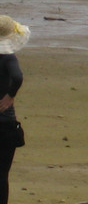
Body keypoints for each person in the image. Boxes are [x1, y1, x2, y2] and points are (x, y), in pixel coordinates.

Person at [0, 16, 29, 204]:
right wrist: (10, 96)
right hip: (4, 123)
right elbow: (17, 77)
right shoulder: (8, 59)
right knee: (2, 175)